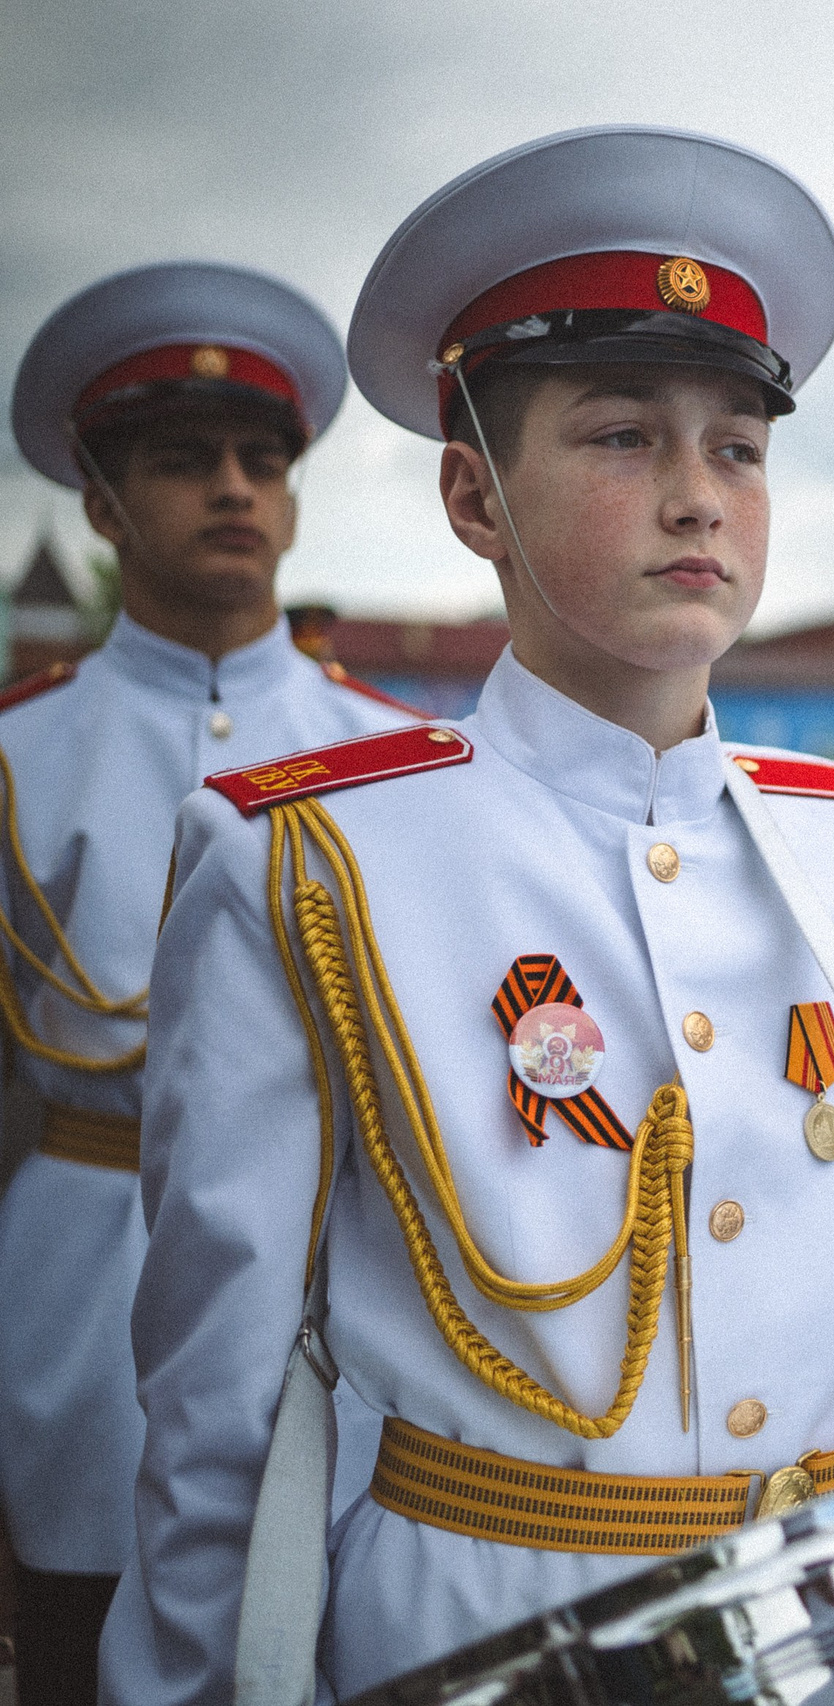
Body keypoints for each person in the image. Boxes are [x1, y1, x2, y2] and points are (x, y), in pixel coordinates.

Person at [101, 127, 834, 1704]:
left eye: (738, 447)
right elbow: (221, 1401)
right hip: (478, 1628)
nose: (696, 498)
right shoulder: (306, 861)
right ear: (475, 496)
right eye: (619, 439)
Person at [0, 261, 419, 1704]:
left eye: (264, 459)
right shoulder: (18, 754)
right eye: (184, 462)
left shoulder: (397, 759)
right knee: (79, 1634)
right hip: (78, 1262)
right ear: (102, 507)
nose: (235, 488)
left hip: (338, 1272)